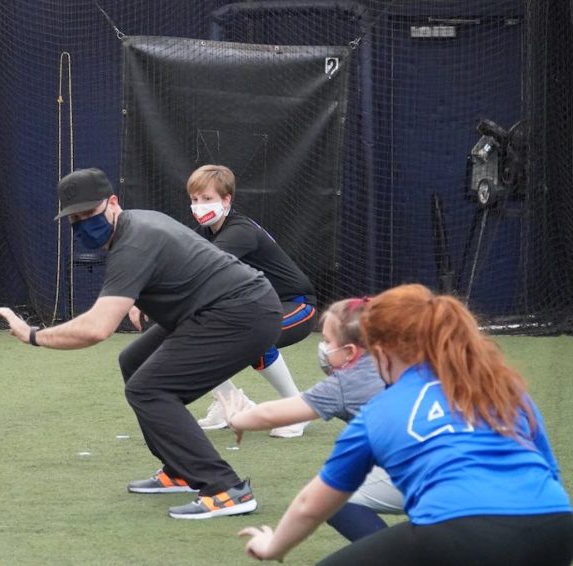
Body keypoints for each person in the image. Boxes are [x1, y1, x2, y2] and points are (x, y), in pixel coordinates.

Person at [0, 167, 283, 519]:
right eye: (75, 218)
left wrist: (32, 335)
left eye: (90, 213)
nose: (84, 224)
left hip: (243, 313)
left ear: (113, 203)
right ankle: (180, 470)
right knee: (134, 362)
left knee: (149, 389)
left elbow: (97, 328)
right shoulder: (133, 226)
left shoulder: (133, 241)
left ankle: (226, 489)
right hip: (213, 309)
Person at [239, 284, 573, 564]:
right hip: (555, 526)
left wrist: (273, 547)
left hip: (458, 531)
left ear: (381, 351)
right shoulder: (501, 386)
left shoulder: (379, 409)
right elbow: (548, 469)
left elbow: (312, 504)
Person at [217, 297, 404, 541]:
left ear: (349, 351)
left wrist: (236, 418)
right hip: (463, 458)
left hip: (426, 469)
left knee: (329, 497)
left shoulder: (346, 385)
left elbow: (270, 414)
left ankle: (390, 555)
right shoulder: (409, 357)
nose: (323, 348)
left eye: (327, 341)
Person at [186, 165, 317, 437]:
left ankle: (298, 409)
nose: (199, 206)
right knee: (194, 332)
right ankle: (229, 403)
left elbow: (197, 269)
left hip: (298, 306)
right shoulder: (208, 231)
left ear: (227, 200)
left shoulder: (239, 231)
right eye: (195, 200)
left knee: (253, 334)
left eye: (207, 199)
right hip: (260, 308)